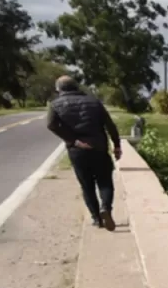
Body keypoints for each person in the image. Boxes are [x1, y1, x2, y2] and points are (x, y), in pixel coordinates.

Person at [46, 76, 123, 231]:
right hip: (99, 147)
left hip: (77, 151)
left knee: (87, 185)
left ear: (58, 89)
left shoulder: (55, 105)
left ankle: (96, 219)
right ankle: (106, 208)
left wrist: (73, 140)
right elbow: (110, 125)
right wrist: (116, 145)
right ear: (76, 86)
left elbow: (51, 125)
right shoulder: (94, 102)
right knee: (105, 181)